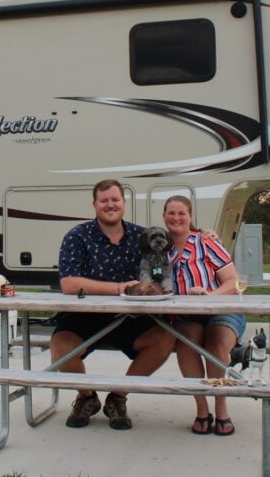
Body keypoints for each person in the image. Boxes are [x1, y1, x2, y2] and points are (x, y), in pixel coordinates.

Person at [51, 179, 176, 430]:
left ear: (124, 202)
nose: (110, 205)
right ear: (94, 204)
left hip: (131, 316)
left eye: (115, 199)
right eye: (104, 200)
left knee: (165, 339)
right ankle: (87, 397)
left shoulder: (143, 236)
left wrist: (203, 234)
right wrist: (121, 288)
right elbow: (69, 284)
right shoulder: (77, 236)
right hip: (84, 316)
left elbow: (167, 261)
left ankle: (118, 397)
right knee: (60, 346)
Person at [163, 194, 245, 436]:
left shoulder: (205, 241)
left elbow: (233, 280)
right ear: (164, 216)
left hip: (221, 308)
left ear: (190, 217)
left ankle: (221, 407)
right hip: (188, 315)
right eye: (171, 213)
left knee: (216, 344)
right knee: (186, 345)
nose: (176, 218)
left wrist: (211, 295)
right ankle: (201, 409)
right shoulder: (160, 247)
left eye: (181, 213)